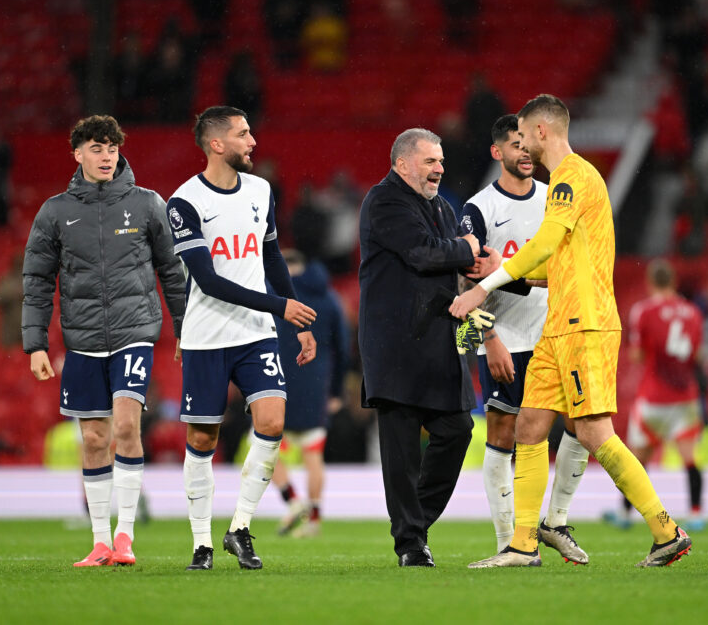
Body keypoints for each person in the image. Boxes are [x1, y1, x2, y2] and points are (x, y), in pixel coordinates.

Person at [453, 94, 693, 568]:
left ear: (542, 131)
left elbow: (544, 242)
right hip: (558, 325)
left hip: (585, 323)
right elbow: (553, 264)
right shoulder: (564, 183)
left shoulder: (572, 177)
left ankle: (667, 531)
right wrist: (505, 273)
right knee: (529, 425)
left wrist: (484, 288)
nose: (522, 144)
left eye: (524, 134)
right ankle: (523, 545)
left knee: (593, 431)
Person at [21, 115, 186, 567]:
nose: (106, 155)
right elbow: (37, 280)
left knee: (127, 428)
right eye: (96, 148)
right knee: (94, 438)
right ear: (77, 154)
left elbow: (172, 271)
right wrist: (36, 343)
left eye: (112, 147)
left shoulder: (148, 204)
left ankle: (125, 536)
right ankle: (99, 542)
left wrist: (184, 327)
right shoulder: (55, 212)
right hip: (83, 339)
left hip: (134, 333)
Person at [167, 106, 317, 571]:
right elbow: (209, 282)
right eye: (243, 134)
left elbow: (272, 258)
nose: (253, 141)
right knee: (203, 436)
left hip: (256, 333)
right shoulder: (185, 202)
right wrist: (279, 306)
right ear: (216, 144)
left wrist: (299, 321)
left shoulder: (260, 190)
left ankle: (240, 528)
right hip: (207, 335)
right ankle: (201, 543)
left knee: (272, 422)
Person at [458, 114, 590, 562]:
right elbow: (467, 280)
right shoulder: (478, 208)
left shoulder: (556, 198)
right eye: (514, 145)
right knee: (503, 432)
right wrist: (489, 337)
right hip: (506, 339)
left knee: (581, 425)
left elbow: (567, 266)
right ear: (497, 152)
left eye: (526, 142)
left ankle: (556, 521)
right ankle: (508, 542)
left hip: (555, 333)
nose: (524, 151)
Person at [358, 127, 483, 567]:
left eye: (441, 161)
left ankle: (417, 522)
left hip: (440, 339)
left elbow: (453, 261)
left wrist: (476, 262)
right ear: (402, 163)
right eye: (430, 161)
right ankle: (410, 543)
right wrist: (465, 248)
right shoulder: (384, 201)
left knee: (458, 430)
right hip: (395, 343)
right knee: (402, 449)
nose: (439, 169)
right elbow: (423, 253)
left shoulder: (442, 207)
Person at [605, 259, 706, 532]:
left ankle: (626, 513)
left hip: (653, 398)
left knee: (637, 459)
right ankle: (696, 513)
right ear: (673, 281)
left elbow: (637, 354)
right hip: (685, 397)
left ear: (651, 282)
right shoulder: (692, 311)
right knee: (689, 458)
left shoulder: (644, 311)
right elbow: (697, 355)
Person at [272, 249, 350, 538]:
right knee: (313, 455)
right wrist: (336, 390)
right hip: (316, 385)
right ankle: (314, 519)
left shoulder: (273, 296)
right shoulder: (328, 297)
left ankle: (293, 502)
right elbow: (343, 348)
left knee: (264, 447)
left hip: (278, 383)